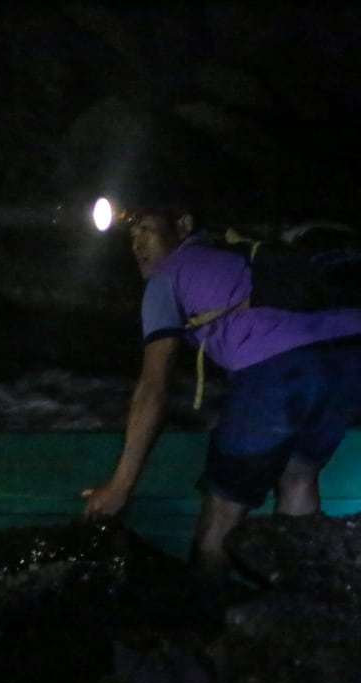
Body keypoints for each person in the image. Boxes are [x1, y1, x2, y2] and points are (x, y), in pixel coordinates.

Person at [82, 195, 361, 576]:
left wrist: (120, 486)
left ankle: (208, 617)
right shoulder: (233, 255)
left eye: (146, 229)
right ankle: (302, 600)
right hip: (349, 355)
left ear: (183, 226)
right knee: (298, 476)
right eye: (131, 236)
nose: (137, 244)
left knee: (222, 512)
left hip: (282, 366)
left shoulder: (170, 275)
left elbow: (153, 387)